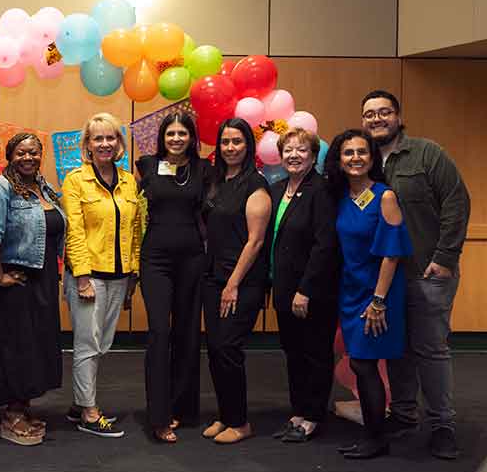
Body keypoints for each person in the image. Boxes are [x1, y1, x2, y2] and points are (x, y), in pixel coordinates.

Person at [361, 89, 471, 460]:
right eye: (370, 114)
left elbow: (457, 202)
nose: (377, 119)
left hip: (428, 272)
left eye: (384, 112)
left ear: (398, 116)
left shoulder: (427, 154)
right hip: (386, 278)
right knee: (397, 350)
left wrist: (445, 256)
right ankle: (405, 413)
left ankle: (442, 424)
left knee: (431, 350)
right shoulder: (365, 160)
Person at [0, 132, 67, 446]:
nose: (28, 158)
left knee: (35, 346)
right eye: (21, 153)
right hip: (15, 280)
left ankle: (23, 407)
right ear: (10, 156)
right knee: (15, 347)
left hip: (41, 280)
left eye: (34, 153)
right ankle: (11, 414)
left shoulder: (41, 187)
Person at [326, 129, 412, 459]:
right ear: (339, 159)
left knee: (363, 363)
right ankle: (372, 434)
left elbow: (392, 253)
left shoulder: (384, 196)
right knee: (360, 364)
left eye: (362, 152)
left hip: (377, 293)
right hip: (350, 290)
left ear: (373, 158)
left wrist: (378, 301)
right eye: (349, 152)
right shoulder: (341, 197)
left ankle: (376, 438)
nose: (356, 158)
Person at [61, 113, 140, 438]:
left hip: (119, 276)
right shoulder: (75, 180)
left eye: (111, 138)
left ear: (119, 144)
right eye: (98, 138)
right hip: (88, 275)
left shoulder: (128, 181)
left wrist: (133, 274)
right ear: (87, 145)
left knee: (102, 342)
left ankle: (81, 402)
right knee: (87, 343)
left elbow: (135, 229)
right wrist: (81, 276)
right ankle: (89, 414)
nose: (105, 144)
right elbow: (74, 232)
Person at [136, 112, 208, 444]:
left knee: (187, 333)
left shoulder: (204, 170)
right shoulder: (147, 165)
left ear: (192, 138)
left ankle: (184, 408)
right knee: (159, 332)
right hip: (156, 260)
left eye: (183, 133)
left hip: (193, 259)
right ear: (162, 138)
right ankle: (159, 416)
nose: (176, 139)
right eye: (171, 134)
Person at [200, 118, 271, 444]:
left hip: (242, 281)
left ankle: (241, 422)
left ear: (248, 146)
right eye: (225, 142)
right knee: (215, 349)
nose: (230, 148)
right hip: (214, 277)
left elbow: (255, 241)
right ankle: (226, 414)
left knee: (229, 347)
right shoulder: (216, 181)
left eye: (237, 142)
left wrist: (232, 284)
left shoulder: (255, 185)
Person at [267, 127, 340, 443]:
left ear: (314, 156)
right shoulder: (278, 188)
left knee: (315, 354)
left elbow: (325, 245)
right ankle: (298, 412)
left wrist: (305, 290)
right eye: (288, 150)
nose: (294, 155)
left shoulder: (321, 191)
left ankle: (312, 416)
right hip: (284, 290)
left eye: (302, 150)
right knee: (293, 353)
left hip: (311, 292)